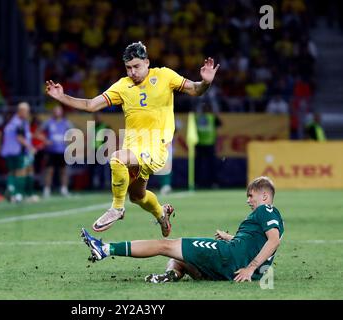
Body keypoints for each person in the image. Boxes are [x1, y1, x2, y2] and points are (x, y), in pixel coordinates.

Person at [45, 41, 219, 236]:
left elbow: (195, 90)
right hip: (134, 147)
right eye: (128, 68)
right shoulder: (122, 86)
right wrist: (63, 98)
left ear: (147, 62)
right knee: (137, 196)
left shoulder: (164, 75)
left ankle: (117, 208)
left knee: (116, 158)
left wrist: (205, 82)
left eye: (136, 66)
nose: (132, 72)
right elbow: (91, 105)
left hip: (156, 146)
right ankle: (161, 214)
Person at [81, 176, 284, 283]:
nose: (248, 200)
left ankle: (105, 249)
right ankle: (171, 276)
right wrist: (231, 237)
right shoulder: (268, 216)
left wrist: (251, 268)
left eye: (251, 195)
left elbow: (274, 241)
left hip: (230, 259)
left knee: (166, 245)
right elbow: (258, 242)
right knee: (180, 259)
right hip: (232, 265)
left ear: (265, 196)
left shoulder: (266, 209)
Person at [0, 102, 35, 203]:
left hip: (8, 151)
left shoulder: (12, 122)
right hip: (17, 151)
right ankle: (18, 194)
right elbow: (19, 137)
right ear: (21, 111)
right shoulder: (19, 122)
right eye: (27, 111)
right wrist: (30, 147)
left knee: (12, 172)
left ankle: (10, 190)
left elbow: (1, 135)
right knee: (21, 171)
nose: (28, 113)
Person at [41, 105, 73, 198]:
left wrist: (69, 141)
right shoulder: (48, 122)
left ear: (62, 112)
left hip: (63, 151)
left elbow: (74, 133)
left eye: (58, 111)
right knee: (49, 170)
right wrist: (45, 140)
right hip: (51, 151)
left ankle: (64, 189)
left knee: (63, 171)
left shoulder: (66, 123)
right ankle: (46, 190)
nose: (57, 113)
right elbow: (37, 133)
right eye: (55, 111)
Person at [195, 104, 222, 189]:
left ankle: (212, 182)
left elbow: (220, 124)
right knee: (202, 165)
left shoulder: (200, 117)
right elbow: (220, 124)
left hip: (207, 144)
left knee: (209, 165)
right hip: (202, 144)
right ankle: (199, 183)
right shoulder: (210, 117)